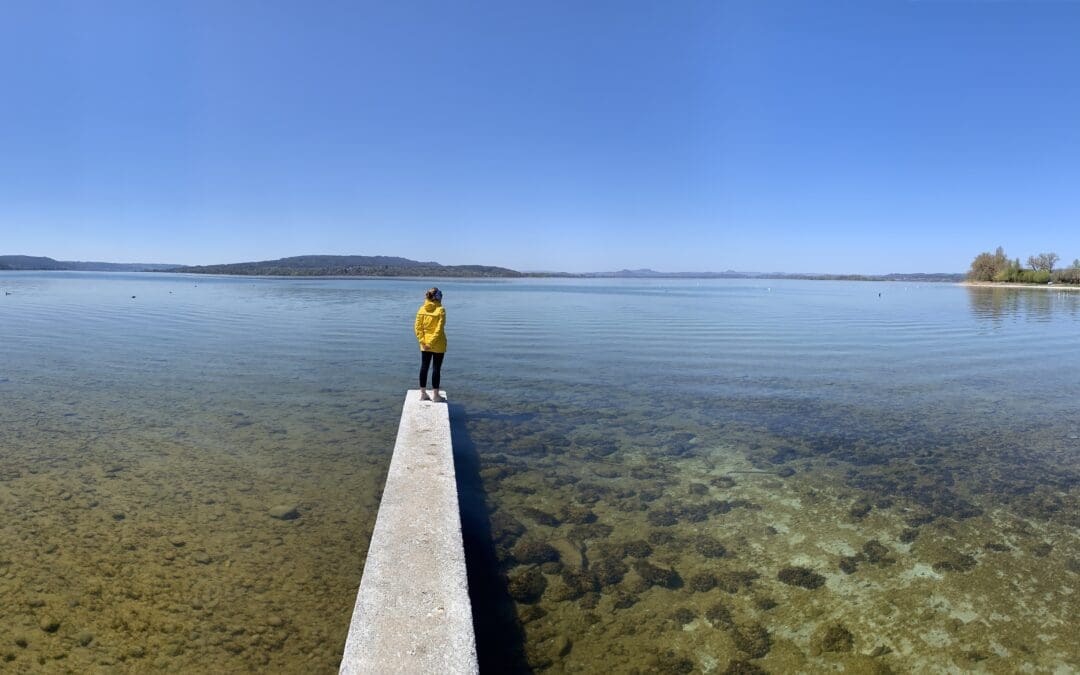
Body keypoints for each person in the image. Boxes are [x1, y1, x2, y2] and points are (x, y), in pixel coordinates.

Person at [414, 287, 447, 402]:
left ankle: (423, 394)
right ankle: (436, 396)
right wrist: (431, 342)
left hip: (424, 344)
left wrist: (423, 341)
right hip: (438, 344)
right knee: (436, 369)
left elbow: (417, 328)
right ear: (438, 297)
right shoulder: (441, 310)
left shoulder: (421, 309)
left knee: (424, 367)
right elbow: (439, 329)